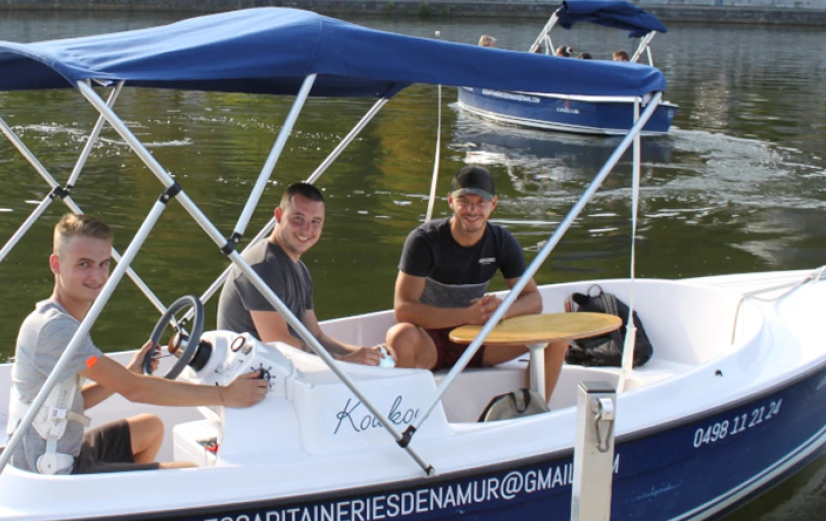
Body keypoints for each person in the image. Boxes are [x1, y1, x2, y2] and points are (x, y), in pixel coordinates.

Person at [10, 213, 267, 475]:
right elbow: (135, 391)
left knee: (150, 427)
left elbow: (76, 402)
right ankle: (139, 492)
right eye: (84, 264)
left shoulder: (63, 319)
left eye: (103, 264)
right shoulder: (56, 329)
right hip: (51, 466)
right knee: (193, 472)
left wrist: (130, 370)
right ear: (56, 264)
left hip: (67, 447)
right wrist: (225, 395)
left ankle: (137, 492)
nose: (97, 276)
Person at [383, 165, 568, 402]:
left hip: (480, 338)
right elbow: (404, 309)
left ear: (494, 204)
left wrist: (502, 310)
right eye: (464, 201)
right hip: (431, 339)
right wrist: (467, 315)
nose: (472, 210)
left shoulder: (501, 241)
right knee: (400, 335)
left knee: (557, 338)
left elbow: (533, 299)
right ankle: (401, 414)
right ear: (450, 201)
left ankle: (532, 411)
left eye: (481, 202)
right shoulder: (424, 240)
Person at [218, 182, 382, 365]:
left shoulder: (300, 269)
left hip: (280, 370)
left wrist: (367, 353)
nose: (306, 229)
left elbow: (315, 336)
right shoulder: (262, 265)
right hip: (247, 378)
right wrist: (344, 361)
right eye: (298, 218)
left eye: (315, 222)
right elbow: (277, 343)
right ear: (279, 216)